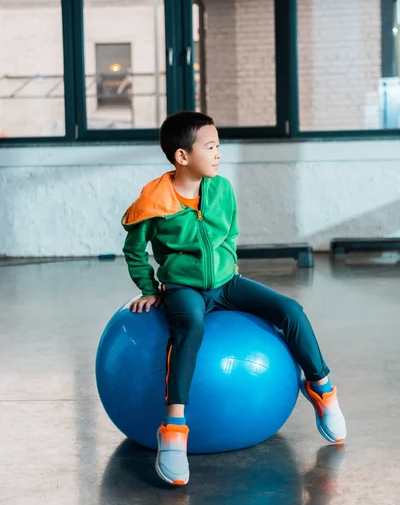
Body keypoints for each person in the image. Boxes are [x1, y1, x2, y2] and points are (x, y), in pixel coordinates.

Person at [121, 111, 346, 486]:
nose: (218, 154)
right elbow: (133, 250)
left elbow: (230, 235)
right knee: (190, 327)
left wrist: (230, 270)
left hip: (227, 282)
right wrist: (149, 288)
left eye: (218, 146)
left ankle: (321, 387)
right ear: (182, 156)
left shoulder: (221, 189)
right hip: (183, 288)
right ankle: (174, 428)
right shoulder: (154, 200)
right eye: (210, 147)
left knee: (290, 310)